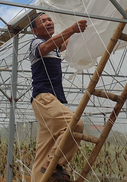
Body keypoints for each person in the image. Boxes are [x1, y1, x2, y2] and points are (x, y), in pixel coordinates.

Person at [29, 12, 87, 182]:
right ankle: (55, 163)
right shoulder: (36, 43)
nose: (48, 22)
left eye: (49, 20)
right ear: (35, 30)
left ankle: (40, 175)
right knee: (74, 124)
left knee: (43, 150)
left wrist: (86, 31)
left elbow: (66, 43)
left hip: (50, 100)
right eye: (43, 21)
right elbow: (45, 48)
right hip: (43, 98)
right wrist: (71, 29)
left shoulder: (54, 46)